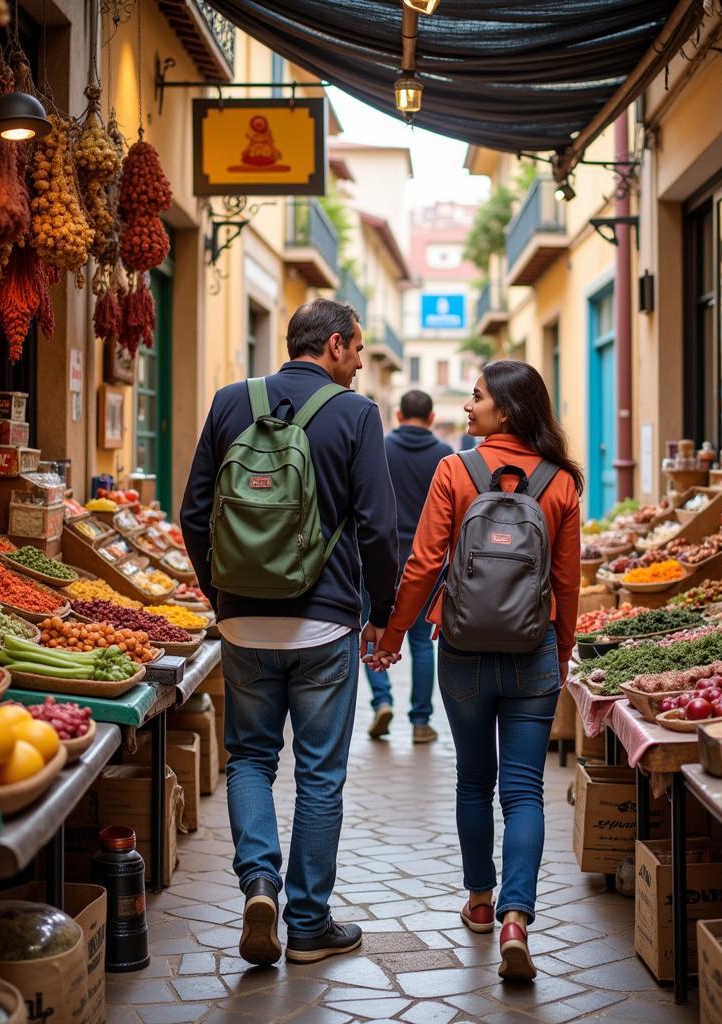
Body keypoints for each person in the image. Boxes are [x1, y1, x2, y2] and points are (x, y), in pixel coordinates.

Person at [180, 298, 399, 968]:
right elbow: (379, 528)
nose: (360, 364)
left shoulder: (227, 401)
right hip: (324, 622)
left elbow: (193, 511)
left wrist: (220, 593)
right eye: (357, 351)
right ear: (334, 345)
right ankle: (307, 925)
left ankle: (258, 884)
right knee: (320, 775)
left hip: (243, 619)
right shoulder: (355, 414)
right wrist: (382, 611)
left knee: (248, 758)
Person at [367, 359, 581, 981]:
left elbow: (423, 563)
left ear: (505, 410)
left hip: (460, 651)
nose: (466, 406)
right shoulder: (562, 482)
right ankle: (518, 917)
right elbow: (566, 583)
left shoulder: (455, 471)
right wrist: (559, 653)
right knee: (524, 791)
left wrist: (393, 635)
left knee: (472, 782)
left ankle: (480, 901)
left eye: (477, 396)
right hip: (531, 650)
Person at [364, 389, 452, 744]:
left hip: (381, 557)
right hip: (426, 561)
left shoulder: (381, 449)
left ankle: (382, 701)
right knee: (419, 642)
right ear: (431, 418)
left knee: (374, 628)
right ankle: (420, 721)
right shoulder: (445, 456)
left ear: (398, 415)